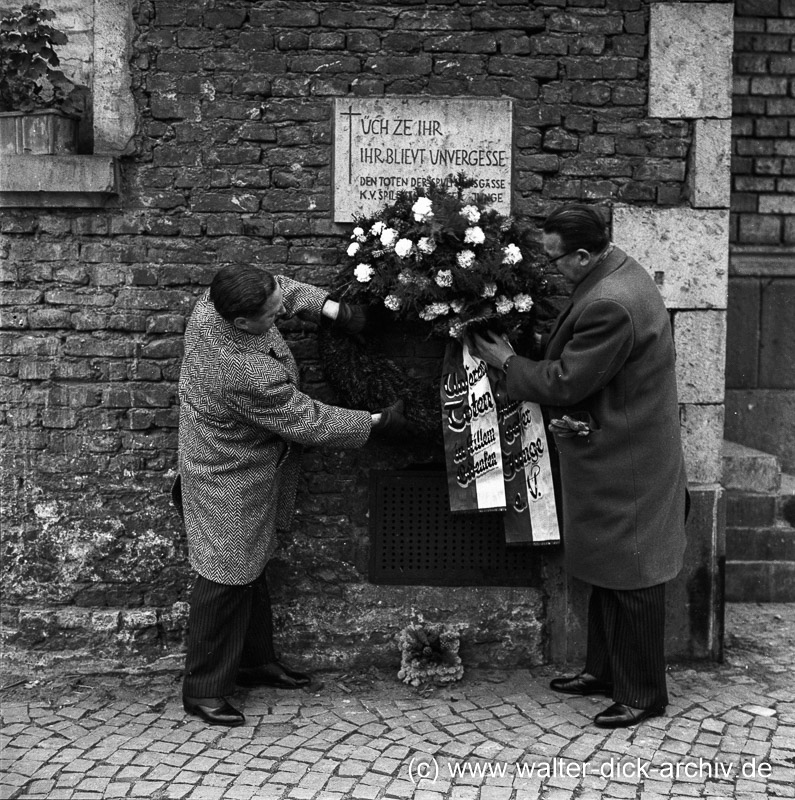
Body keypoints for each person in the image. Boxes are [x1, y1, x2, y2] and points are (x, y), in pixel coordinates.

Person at [471, 204, 688, 729]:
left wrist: (506, 362)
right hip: (620, 449)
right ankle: (603, 671)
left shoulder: (611, 302)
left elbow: (567, 381)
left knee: (634, 573)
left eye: (556, 259)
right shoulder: (614, 274)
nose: (553, 269)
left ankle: (643, 694)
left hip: (626, 459)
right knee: (608, 566)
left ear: (585, 255)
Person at [174, 265, 407, 727]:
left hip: (247, 467)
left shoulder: (214, 303)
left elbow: (282, 289)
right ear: (241, 323)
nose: (281, 314)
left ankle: (253, 662)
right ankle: (202, 690)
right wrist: (376, 423)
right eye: (271, 314)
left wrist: (334, 310)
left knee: (250, 565)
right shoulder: (240, 371)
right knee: (224, 578)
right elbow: (307, 419)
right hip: (225, 474)